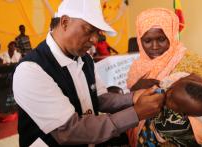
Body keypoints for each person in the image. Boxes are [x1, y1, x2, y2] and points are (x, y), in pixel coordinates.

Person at [12, 1, 165, 147]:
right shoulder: (31, 70)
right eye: (89, 30)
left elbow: (100, 98)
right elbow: (69, 131)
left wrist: (133, 98)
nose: (95, 40)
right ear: (65, 22)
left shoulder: (85, 59)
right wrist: (136, 113)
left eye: (97, 32)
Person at [126, 8, 202, 147]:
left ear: (171, 34)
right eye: (147, 40)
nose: (155, 46)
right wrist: (135, 88)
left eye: (162, 39)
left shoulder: (189, 63)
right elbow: (130, 100)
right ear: (139, 40)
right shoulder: (137, 67)